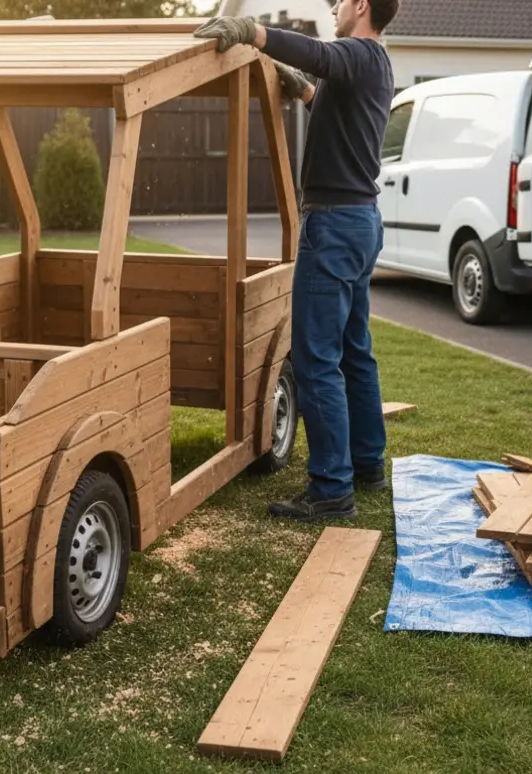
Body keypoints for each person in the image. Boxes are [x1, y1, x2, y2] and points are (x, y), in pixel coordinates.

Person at [194, 0, 401, 523]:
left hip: (334, 227)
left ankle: (332, 488)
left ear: (361, 6)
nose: (332, 7)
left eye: (339, 1)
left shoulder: (359, 53)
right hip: (358, 222)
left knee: (315, 358)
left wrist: (252, 31)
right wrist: (304, 90)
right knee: (354, 350)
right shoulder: (372, 64)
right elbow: (340, 117)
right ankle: (366, 464)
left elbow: (319, 53)